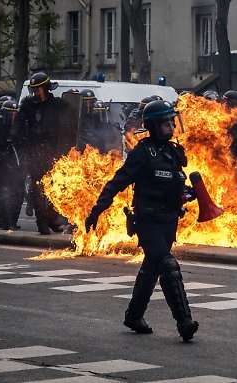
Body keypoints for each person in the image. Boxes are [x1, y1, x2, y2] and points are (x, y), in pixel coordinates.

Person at [84, 100, 199, 342]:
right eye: (166, 122)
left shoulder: (174, 152)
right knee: (167, 265)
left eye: (172, 121)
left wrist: (189, 194)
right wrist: (97, 210)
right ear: (154, 125)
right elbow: (117, 182)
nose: (171, 125)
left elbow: (176, 186)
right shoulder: (142, 153)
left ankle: (134, 316)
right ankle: (184, 322)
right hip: (148, 220)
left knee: (151, 268)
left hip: (169, 221)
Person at [17, 72, 67, 235]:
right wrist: (26, 147)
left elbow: (69, 127)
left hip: (55, 152)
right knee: (38, 189)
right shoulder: (27, 106)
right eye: (34, 89)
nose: (36, 92)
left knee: (57, 189)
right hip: (35, 153)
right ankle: (41, 223)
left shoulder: (58, 105)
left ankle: (52, 219)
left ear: (45, 88)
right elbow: (18, 129)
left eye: (38, 89)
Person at [0, 100, 25, 231]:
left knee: (18, 194)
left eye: (15, 114)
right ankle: (3, 222)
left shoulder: (19, 128)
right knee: (3, 194)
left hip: (17, 166)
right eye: (10, 114)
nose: (13, 117)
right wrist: (2, 156)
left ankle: (13, 221)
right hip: (3, 167)